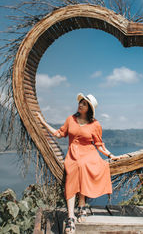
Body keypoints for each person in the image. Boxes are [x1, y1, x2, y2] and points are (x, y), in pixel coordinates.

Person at [37, 93, 126, 234]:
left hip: (89, 153)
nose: (80, 104)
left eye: (84, 103)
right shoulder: (70, 119)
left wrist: (110, 155)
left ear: (89, 108)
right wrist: (43, 123)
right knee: (74, 173)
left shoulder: (95, 124)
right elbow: (59, 133)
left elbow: (99, 144)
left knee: (83, 167)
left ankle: (81, 205)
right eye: (81, 102)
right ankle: (72, 215)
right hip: (73, 154)